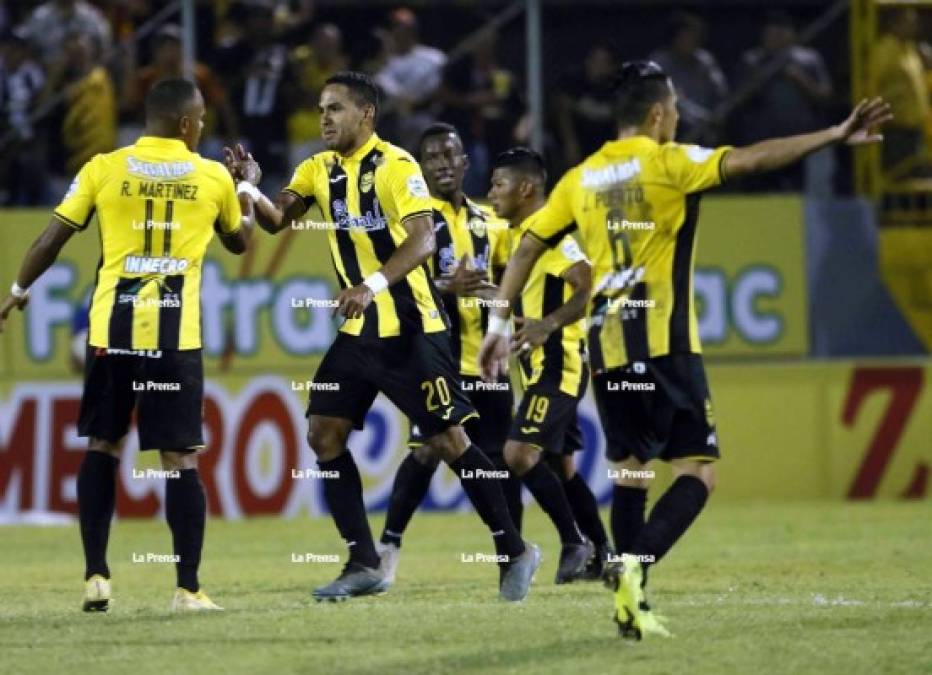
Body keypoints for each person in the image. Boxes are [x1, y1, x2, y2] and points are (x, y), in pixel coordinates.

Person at [478, 61, 891, 638]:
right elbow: (752, 158)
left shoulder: (578, 179)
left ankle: (629, 602)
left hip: (611, 353)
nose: (675, 118)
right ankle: (632, 565)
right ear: (657, 114)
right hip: (668, 347)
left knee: (629, 476)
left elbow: (525, 247)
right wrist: (833, 134)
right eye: (672, 110)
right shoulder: (670, 163)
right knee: (697, 473)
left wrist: (498, 323)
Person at [223, 71, 539, 602]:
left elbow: (421, 241)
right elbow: (277, 221)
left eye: (336, 109)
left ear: (366, 115)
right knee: (323, 435)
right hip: (357, 333)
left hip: (411, 327)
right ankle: (363, 561)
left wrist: (369, 285)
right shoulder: (315, 168)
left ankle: (513, 549)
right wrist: (248, 184)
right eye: (321, 108)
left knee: (448, 441)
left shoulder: (397, 166)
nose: (324, 117)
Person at [0, 78, 255, 612]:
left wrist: (17, 292)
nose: (204, 126)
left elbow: (52, 237)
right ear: (185, 124)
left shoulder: (103, 167)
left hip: (109, 336)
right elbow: (240, 240)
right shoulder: (211, 176)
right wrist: (246, 187)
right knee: (179, 459)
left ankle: (96, 575)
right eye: (202, 119)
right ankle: (187, 589)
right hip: (173, 340)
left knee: (102, 447)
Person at [375, 122, 521, 584]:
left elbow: (510, 290)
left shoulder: (489, 222)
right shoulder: (414, 222)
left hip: (487, 361)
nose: (442, 163)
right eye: (432, 157)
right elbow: (394, 283)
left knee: (500, 460)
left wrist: (496, 294)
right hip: (436, 361)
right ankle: (388, 547)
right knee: (426, 452)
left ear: (465, 162)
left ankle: (510, 557)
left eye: (449, 155)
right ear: (420, 168)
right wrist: (446, 286)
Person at [488, 147, 615, 582]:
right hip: (539, 365)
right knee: (561, 467)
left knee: (517, 453)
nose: (491, 194)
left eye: (498, 184)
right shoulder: (521, 237)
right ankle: (605, 553)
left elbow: (586, 286)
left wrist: (548, 325)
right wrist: (482, 292)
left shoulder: (558, 237)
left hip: (560, 363)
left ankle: (573, 542)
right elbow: (527, 304)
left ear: (526, 189)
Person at [737, 11, 834, 192]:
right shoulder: (752, 60)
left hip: (799, 142)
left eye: (780, 34)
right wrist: (764, 74)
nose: (775, 39)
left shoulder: (809, 59)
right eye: (771, 35)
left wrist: (799, 79)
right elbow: (741, 100)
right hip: (763, 144)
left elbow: (824, 96)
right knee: (762, 192)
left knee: (798, 193)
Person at [649, 12, 729, 145]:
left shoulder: (705, 61)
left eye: (693, 37)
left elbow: (721, 92)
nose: (688, 41)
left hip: (706, 128)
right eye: (683, 37)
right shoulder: (660, 62)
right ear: (674, 38)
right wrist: (700, 117)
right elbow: (670, 100)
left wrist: (716, 115)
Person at [874, 7, 929, 172]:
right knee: (897, 178)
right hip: (896, 130)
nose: (915, 26)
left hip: (915, 128)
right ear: (894, 23)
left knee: (915, 177)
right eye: (909, 21)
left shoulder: (910, 48)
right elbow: (873, 86)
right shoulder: (884, 49)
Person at [554, 44, 619, 168]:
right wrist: (570, 143)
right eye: (594, 61)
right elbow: (562, 109)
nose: (598, 66)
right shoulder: (575, 83)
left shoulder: (618, 87)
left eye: (604, 62)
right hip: (579, 142)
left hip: (607, 143)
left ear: (612, 66)